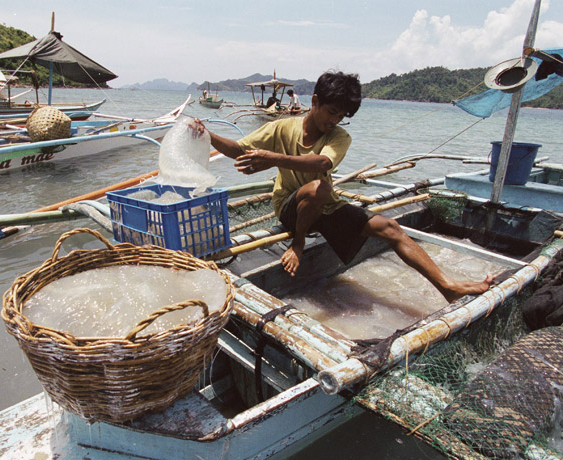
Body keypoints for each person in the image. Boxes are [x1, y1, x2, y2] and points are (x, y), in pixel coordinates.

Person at [190, 71, 493, 303]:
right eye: (331, 112)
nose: (334, 120)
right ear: (315, 102)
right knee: (317, 190)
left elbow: (322, 164)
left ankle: (448, 286)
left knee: (390, 227)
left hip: (325, 204)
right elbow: (238, 149)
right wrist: (209, 135)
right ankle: (298, 243)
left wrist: (274, 159)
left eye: (341, 116)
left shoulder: (339, 137)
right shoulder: (281, 128)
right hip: (291, 208)